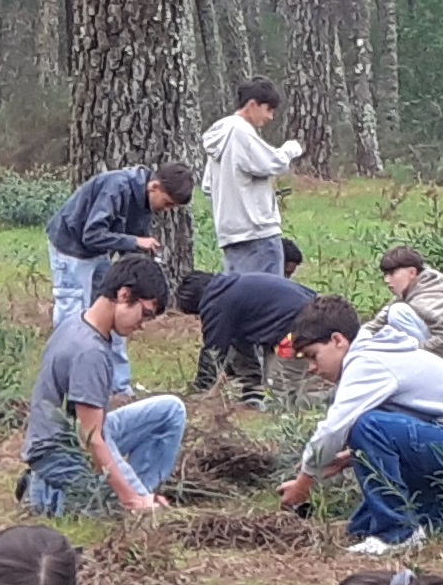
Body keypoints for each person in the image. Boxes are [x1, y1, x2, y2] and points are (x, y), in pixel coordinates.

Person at [278, 299, 443, 555]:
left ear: (338, 340)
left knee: (366, 426)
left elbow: (333, 429)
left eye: (313, 356)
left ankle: (398, 534)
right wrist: (347, 460)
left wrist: (303, 484)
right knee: (362, 527)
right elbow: (410, 421)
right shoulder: (368, 357)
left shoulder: (367, 362)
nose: (311, 368)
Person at [19, 254, 183, 517]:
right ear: (124, 294)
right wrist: (130, 500)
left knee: (171, 410)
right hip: (60, 449)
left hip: (84, 431)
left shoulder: (79, 322)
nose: (143, 325)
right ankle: (44, 494)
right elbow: (91, 439)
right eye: (145, 313)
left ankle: (141, 494)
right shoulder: (90, 352)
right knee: (117, 513)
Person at [42, 162, 196, 393]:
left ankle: (119, 389)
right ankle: (66, 383)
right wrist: (134, 242)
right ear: (154, 186)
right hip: (71, 248)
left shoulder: (145, 200)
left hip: (98, 253)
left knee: (116, 311)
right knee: (72, 313)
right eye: (167, 203)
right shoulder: (116, 187)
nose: (166, 210)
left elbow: (128, 240)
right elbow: (92, 234)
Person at [199, 78, 302, 276]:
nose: (271, 117)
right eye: (269, 109)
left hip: (231, 235)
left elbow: (207, 186)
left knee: (239, 295)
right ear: (253, 104)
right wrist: (290, 149)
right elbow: (273, 162)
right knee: (268, 296)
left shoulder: (219, 137)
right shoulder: (240, 131)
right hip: (257, 232)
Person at [171, 266, 313, 402]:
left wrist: (201, 389)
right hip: (308, 311)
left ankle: (327, 399)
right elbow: (235, 343)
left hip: (299, 327)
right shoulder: (231, 288)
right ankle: (253, 390)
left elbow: (213, 351)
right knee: (238, 340)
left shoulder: (216, 303)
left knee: (281, 396)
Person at [375, 245, 443, 369]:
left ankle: (418, 365)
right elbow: (378, 323)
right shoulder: (413, 290)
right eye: (385, 274)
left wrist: (415, 350)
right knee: (393, 315)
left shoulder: (425, 297)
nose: (387, 280)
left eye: (392, 273)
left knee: (398, 313)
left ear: (412, 272)